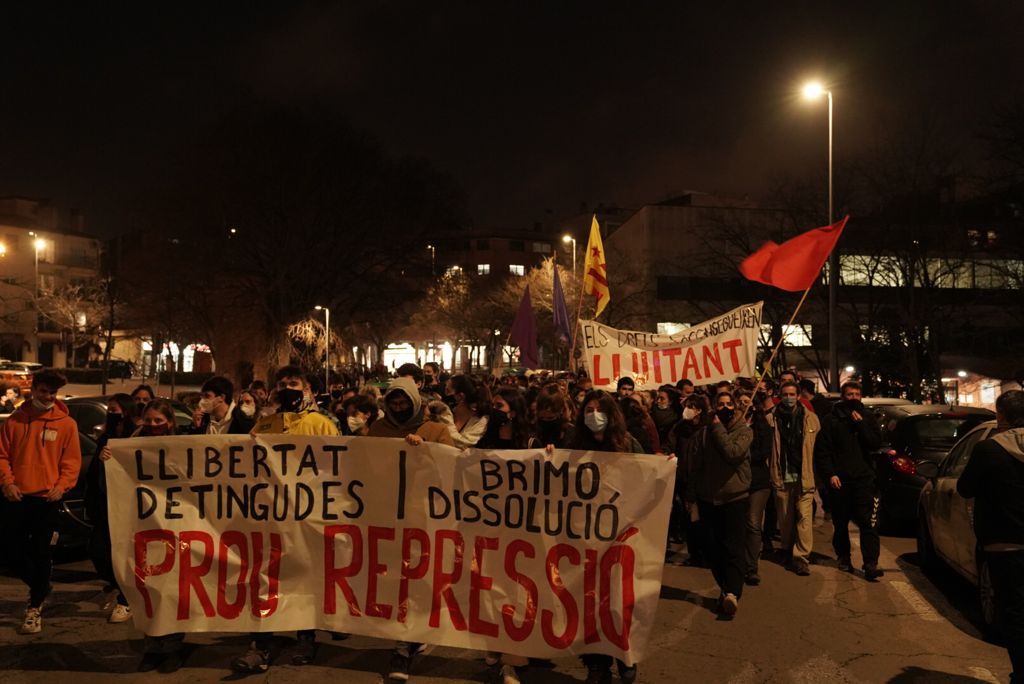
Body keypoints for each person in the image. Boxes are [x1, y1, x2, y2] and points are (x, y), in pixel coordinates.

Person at [233, 366, 341, 674]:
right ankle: (261, 643)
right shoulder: (266, 424)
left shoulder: (323, 425)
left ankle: (305, 636)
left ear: (307, 388)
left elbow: (337, 468)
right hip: (270, 516)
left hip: (308, 516)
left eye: (293, 383)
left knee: (305, 577)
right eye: (282, 384)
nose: (287, 388)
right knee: (267, 577)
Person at [99, 399, 187, 672]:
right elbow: (112, 485)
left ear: (170, 422)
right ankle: (152, 645)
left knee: (172, 590)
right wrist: (108, 461)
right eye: (148, 420)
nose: (153, 426)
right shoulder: (127, 446)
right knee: (148, 587)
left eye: (159, 421)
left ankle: (172, 646)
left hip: (175, 528)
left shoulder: (183, 447)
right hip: (143, 527)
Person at [0, 369, 82, 636]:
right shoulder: (14, 420)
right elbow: (2, 456)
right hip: (17, 497)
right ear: (33, 390)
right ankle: (41, 586)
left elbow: (71, 463)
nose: (48, 397)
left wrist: (61, 487)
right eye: (43, 391)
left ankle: (34, 608)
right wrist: (8, 482)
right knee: (11, 552)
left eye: (52, 393)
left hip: (48, 499)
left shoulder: (66, 424)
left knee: (41, 552)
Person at [571, 390, 641, 683]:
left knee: (617, 601)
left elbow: (647, 477)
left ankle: (624, 654)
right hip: (585, 536)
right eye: (588, 409)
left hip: (620, 535)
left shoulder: (628, 445)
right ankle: (596, 664)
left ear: (611, 415)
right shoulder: (574, 445)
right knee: (588, 602)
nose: (593, 415)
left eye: (599, 410)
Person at [957, 389, 1024, 682]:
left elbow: (965, 488)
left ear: (1002, 416)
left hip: (1004, 544)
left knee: (1014, 614)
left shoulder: (989, 450)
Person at [685, 391, 752, 616]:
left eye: (728, 404)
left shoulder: (744, 431)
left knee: (733, 547)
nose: (725, 408)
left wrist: (716, 428)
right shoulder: (703, 434)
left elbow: (732, 452)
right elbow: (695, 466)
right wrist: (691, 496)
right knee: (712, 548)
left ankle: (732, 592)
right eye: (720, 404)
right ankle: (726, 588)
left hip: (734, 498)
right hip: (708, 498)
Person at [815, 381, 884, 580]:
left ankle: (870, 563)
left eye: (856, 394)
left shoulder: (868, 418)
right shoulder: (831, 420)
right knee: (841, 522)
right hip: (840, 480)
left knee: (868, 523)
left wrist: (861, 424)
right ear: (842, 397)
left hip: (864, 479)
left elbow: (874, 443)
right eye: (849, 394)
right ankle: (844, 557)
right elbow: (823, 451)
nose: (853, 398)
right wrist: (830, 474)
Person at [85, 393, 137, 623]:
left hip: (127, 507)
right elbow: (95, 473)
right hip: (105, 504)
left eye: (115, 409)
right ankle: (118, 585)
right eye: (110, 410)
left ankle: (127, 599)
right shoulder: (106, 436)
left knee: (125, 555)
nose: (112, 413)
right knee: (99, 552)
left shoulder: (136, 435)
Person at [768, 381, 821, 576]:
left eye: (792, 394)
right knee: (785, 519)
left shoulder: (812, 420)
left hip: (804, 477)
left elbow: (818, 450)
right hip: (782, 475)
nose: (789, 398)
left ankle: (801, 556)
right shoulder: (771, 419)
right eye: (785, 394)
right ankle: (786, 549)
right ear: (780, 396)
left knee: (804, 518)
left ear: (799, 396)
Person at [745, 389, 775, 585]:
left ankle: (751, 568)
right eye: (739, 402)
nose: (743, 405)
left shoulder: (763, 428)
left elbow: (762, 453)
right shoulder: (728, 426)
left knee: (753, 523)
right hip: (735, 483)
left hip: (757, 482)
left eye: (747, 401)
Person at [188, 375, 256, 435]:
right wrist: (196, 427)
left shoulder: (243, 422)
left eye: (207, 396)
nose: (202, 400)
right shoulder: (203, 420)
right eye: (202, 396)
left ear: (222, 397)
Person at [438, 374, 490, 448]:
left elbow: (462, 444)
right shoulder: (446, 412)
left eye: (448, 391)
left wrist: (445, 415)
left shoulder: (480, 420)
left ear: (460, 396)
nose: (443, 394)